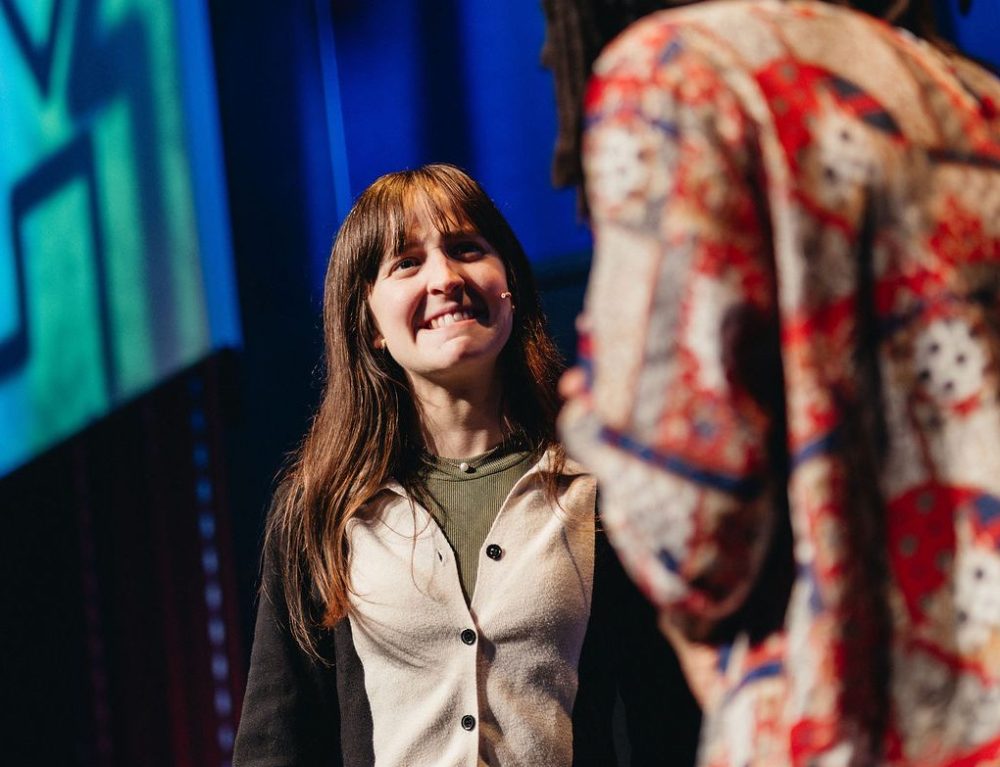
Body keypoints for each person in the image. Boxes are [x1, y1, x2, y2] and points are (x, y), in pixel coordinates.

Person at [543, 0, 1000, 765]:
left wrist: (595, 417)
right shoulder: (975, 98)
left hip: (856, 719)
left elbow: (691, 534)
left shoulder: (682, 72)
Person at [232, 163, 700, 767]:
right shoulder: (322, 505)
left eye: (466, 249)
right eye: (406, 262)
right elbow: (276, 742)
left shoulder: (601, 484)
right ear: (370, 321)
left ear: (509, 285)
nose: (445, 278)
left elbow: (667, 718)